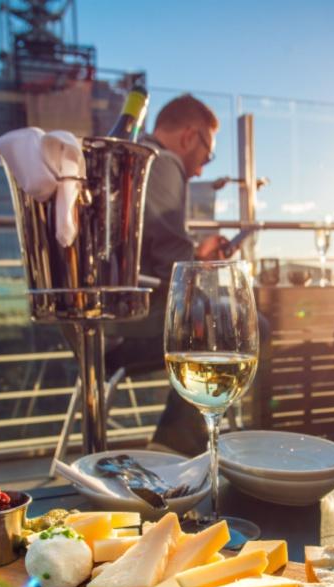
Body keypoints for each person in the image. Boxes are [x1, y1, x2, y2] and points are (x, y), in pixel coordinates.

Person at [105, 94, 229, 456]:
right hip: (127, 327)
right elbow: (174, 264)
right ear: (190, 137)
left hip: (96, 328)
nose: (202, 169)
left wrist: (196, 253)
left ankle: (179, 442)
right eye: (207, 157)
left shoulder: (125, 160)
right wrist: (200, 259)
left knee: (211, 316)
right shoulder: (160, 162)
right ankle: (173, 448)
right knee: (236, 325)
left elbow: (153, 249)